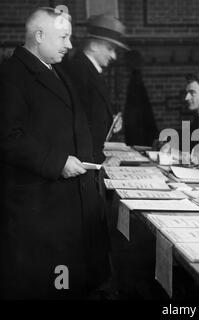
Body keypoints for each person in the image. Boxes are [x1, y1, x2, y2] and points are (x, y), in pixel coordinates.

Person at [0, 7, 110, 299]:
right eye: (63, 37)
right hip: (40, 210)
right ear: (39, 36)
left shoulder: (55, 70)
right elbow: (8, 137)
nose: (70, 45)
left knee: (69, 285)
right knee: (51, 287)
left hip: (65, 206)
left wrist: (95, 157)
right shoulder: (11, 75)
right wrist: (58, 162)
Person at [64, 14, 129, 163]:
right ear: (93, 45)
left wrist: (109, 121)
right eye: (110, 48)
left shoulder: (88, 70)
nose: (113, 56)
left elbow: (92, 115)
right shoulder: (79, 71)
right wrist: (101, 160)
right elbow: (78, 127)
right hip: (84, 163)